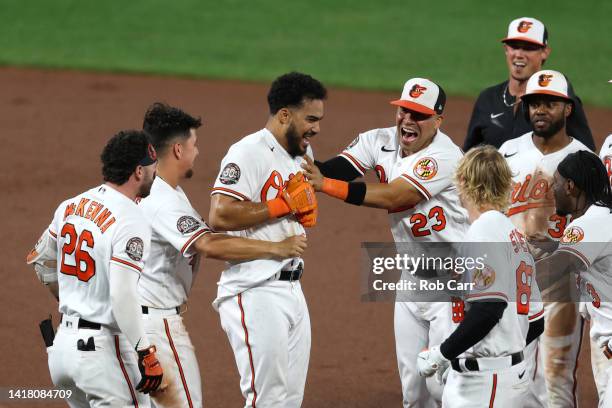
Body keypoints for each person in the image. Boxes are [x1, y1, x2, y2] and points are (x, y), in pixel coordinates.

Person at [303, 78, 467, 407]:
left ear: (438, 120)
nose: (408, 119)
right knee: (414, 391)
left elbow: (395, 194)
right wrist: (302, 161)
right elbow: (337, 168)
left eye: (419, 114)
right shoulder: (378, 140)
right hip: (410, 280)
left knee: (446, 388)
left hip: (455, 281)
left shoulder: (444, 156)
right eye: (404, 110)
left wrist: (324, 185)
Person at [137, 103, 308, 408]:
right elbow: (209, 244)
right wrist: (276, 248)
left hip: (140, 320)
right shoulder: (161, 200)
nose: (198, 152)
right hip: (155, 326)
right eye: (194, 145)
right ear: (178, 150)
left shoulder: (159, 191)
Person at [208, 72, 325, 407]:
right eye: (311, 119)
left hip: (291, 288)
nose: (316, 128)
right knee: (267, 399)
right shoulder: (247, 152)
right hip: (254, 288)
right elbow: (220, 215)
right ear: (285, 115)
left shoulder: (304, 152)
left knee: (289, 400)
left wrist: (300, 214)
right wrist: (282, 205)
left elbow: (298, 204)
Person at [26, 130, 163, 407]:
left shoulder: (70, 205)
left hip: (63, 351)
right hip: (102, 355)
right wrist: (146, 352)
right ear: (138, 171)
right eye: (152, 168)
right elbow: (123, 294)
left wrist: (72, 301)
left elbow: (40, 260)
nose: (155, 174)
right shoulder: (130, 218)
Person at [416, 145, 544, 407]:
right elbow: (536, 322)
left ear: (462, 181)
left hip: (486, 383)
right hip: (499, 376)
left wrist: (443, 354)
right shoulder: (512, 235)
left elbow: (488, 309)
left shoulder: (484, 231)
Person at [499, 69, 591, 407]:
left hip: (561, 285)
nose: (540, 110)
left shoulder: (583, 161)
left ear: (567, 109)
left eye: (549, 103)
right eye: (534, 103)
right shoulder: (507, 151)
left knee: (555, 379)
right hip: (511, 281)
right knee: (512, 373)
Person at [537, 150, 612, 406]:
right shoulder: (601, 218)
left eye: (556, 183)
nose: (552, 190)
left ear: (570, 186)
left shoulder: (590, 223)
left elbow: (549, 272)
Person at [464, 16, 594, 151]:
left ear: (545, 52)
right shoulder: (487, 98)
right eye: (514, 46)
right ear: (506, 49)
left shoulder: (559, 99)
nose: (519, 54)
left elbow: (586, 155)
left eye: (528, 48)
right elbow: (469, 155)